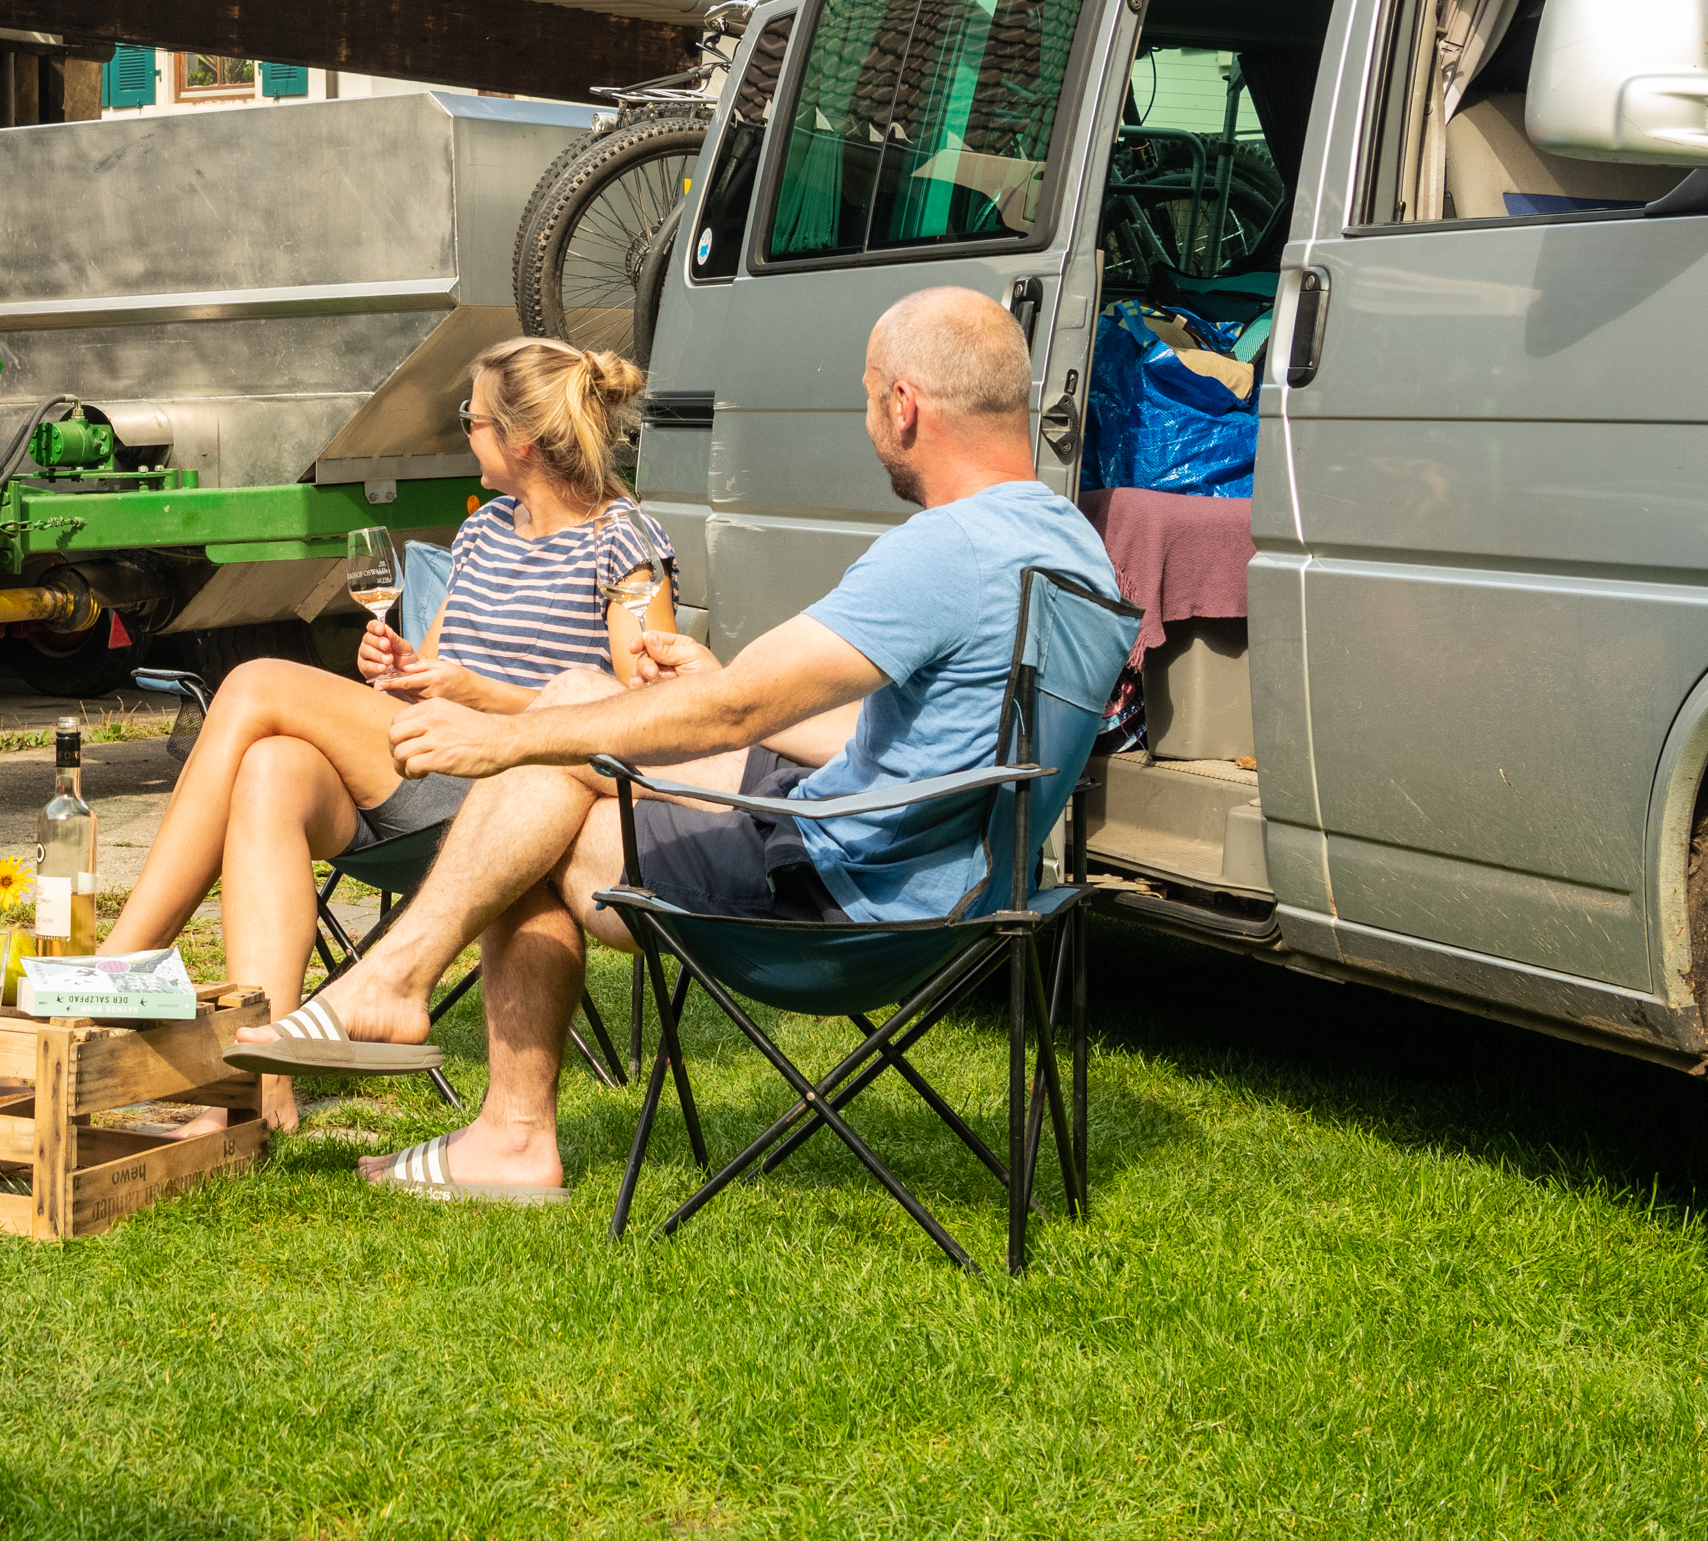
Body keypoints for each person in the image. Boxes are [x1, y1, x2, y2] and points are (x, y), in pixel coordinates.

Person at [232, 286, 1127, 1205]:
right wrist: (702, 687)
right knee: (579, 698)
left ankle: (481, 1093)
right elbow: (871, 732)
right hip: (960, 882)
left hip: (839, 898)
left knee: (534, 808)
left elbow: (734, 712)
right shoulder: (1067, 543)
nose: (867, 424)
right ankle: (412, 1004)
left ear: (905, 405)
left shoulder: (945, 551)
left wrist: (507, 739)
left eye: (866, 398)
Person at [98, 339, 766, 1131]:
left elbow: (641, 714)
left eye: (470, 417)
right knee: (270, 767)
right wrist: (399, 665)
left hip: (512, 800)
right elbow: (435, 668)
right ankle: (261, 1087)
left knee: (253, 685)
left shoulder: (623, 543)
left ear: (521, 438)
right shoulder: (482, 532)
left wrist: (480, 698)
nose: (463, 430)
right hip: (426, 771)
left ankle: (119, 967)